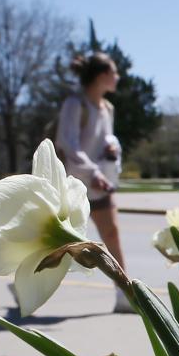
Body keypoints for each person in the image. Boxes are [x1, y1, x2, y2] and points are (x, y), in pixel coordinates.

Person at [56, 52, 131, 313]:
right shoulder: (75, 104)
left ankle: (125, 294)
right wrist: (92, 172)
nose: (118, 77)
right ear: (102, 76)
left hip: (101, 185)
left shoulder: (107, 108)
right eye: (114, 72)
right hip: (73, 186)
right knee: (59, 244)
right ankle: (25, 283)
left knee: (112, 235)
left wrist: (110, 158)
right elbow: (68, 144)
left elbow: (107, 142)